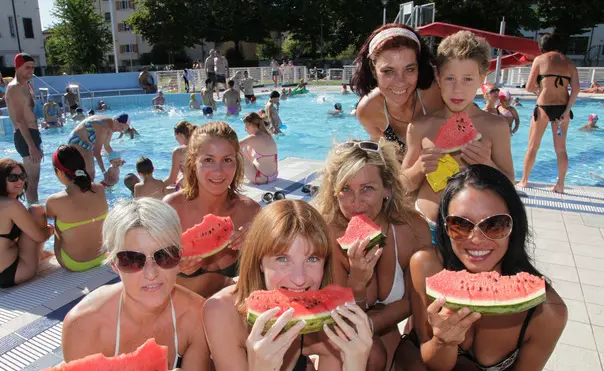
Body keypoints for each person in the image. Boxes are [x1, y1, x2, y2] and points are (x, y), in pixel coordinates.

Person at [407, 164, 567, 371]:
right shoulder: (426, 267)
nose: (476, 239)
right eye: (461, 224)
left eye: (494, 224)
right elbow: (430, 360)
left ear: (514, 225)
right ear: (446, 228)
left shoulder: (546, 312)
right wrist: (442, 342)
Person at [204, 200, 374, 371]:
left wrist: (355, 366)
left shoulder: (321, 314)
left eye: (312, 259)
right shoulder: (221, 311)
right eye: (282, 259)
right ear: (259, 261)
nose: (299, 279)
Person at [312, 139, 432, 370]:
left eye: (367, 188)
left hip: (383, 327)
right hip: (337, 331)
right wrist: (356, 281)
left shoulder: (413, 229)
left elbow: (414, 301)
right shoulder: (326, 233)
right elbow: (340, 318)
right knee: (371, 355)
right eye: (345, 189)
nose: (356, 202)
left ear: (387, 189)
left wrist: (370, 322)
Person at [61, 198, 210, 370]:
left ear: (179, 258)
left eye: (165, 255)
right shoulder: (83, 326)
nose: (151, 273)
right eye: (131, 259)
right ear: (114, 265)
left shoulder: (197, 314)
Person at [401, 31, 514, 246]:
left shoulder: (496, 127)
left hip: (475, 236)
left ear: (482, 79)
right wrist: (418, 168)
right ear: (438, 78)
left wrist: (487, 165)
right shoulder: (420, 126)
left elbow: (509, 184)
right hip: (426, 228)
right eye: (450, 78)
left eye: (467, 79)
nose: (457, 88)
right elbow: (404, 185)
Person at [164, 121, 261, 298]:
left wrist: (259, 247)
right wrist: (173, 269)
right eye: (208, 160)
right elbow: (145, 274)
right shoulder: (171, 210)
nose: (219, 171)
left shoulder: (252, 212)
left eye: (227, 160)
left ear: (236, 163)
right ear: (193, 163)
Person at [352, 24, 443, 159]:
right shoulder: (368, 110)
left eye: (409, 69)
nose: (400, 82)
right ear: (373, 69)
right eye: (388, 71)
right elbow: (388, 165)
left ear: (419, 67)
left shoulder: (438, 93)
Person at [0, 158, 53, 287]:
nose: (20, 181)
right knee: (36, 211)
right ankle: (41, 255)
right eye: (12, 177)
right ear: (0, 180)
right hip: (7, 275)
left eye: (22, 176)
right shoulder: (11, 204)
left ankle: (42, 254)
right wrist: (51, 229)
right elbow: (40, 236)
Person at [518, 32, 580, 194]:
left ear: (542, 47)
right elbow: (576, 89)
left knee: (532, 146)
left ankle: (524, 181)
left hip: (544, 107)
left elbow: (529, 87)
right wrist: (567, 110)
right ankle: (560, 185)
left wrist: (540, 91)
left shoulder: (540, 60)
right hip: (563, 108)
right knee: (561, 150)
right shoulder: (569, 63)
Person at [46, 145, 109, 272]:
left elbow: (48, 219)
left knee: (56, 225)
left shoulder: (54, 200)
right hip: (103, 256)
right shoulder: (100, 189)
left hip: (74, 264)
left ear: (60, 172)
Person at [6, 53, 42, 205]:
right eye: (27, 67)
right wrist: (32, 146)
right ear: (17, 67)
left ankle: (34, 210)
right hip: (25, 136)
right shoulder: (14, 88)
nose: (31, 71)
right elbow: (20, 120)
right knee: (31, 182)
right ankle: (34, 214)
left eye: (33, 68)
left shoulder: (25, 86)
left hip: (32, 134)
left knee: (34, 180)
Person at [66, 113, 131, 180]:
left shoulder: (110, 126)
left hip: (86, 145)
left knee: (90, 175)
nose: (120, 131)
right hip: (76, 141)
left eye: (122, 130)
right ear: (116, 121)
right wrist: (104, 172)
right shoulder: (103, 127)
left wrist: (117, 160)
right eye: (121, 128)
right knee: (90, 175)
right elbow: (96, 152)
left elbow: (107, 146)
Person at [240, 112, 278, 184]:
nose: (245, 130)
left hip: (260, 177)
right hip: (274, 175)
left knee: (236, 151)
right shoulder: (267, 134)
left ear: (250, 125)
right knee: (248, 146)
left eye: (246, 127)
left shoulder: (253, 137)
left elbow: (232, 146)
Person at [161, 121, 197, 192]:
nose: (176, 140)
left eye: (176, 137)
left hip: (189, 190)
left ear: (181, 135)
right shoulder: (200, 147)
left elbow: (171, 179)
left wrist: (156, 187)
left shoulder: (179, 151)